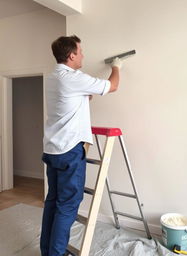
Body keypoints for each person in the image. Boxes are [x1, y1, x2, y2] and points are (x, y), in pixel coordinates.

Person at [40, 35, 122, 256]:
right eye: (80, 50)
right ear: (71, 55)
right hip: (69, 150)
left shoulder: (53, 77)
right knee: (67, 206)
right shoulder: (73, 77)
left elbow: (78, 98)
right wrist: (116, 66)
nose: (83, 54)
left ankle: (47, 252)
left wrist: (86, 94)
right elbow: (112, 86)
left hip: (52, 149)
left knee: (53, 202)